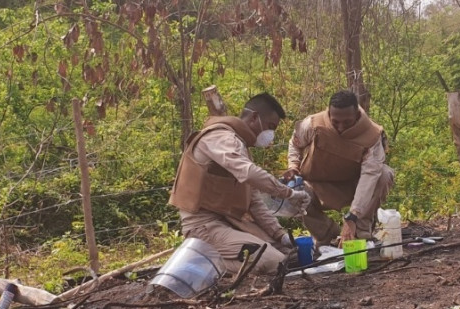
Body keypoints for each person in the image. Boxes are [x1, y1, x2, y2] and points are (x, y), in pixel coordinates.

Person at [169, 93, 312, 277]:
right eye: (270, 127)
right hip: (204, 227)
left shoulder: (239, 147)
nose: (271, 135)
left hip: (230, 223)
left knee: (289, 254)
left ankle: (212, 258)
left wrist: (280, 235)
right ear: (254, 117)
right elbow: (250, 172)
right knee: (274, 261)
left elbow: (254, 202)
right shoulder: (220, 138)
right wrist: (288, 193)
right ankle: (195, 262)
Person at [284, 89, 394, 246]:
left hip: (353, 186)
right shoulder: (314, 124)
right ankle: (328, 236)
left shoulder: (372, 136)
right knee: (294, 189)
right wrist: (293, 165)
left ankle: (359, 232)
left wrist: (353, 216)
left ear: (356, 115)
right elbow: (295, 144)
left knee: (384, 174)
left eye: (347, 122)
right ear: (329, 113)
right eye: (336, 122)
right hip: (316, 184)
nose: (341, 127)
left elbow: (370, 176)